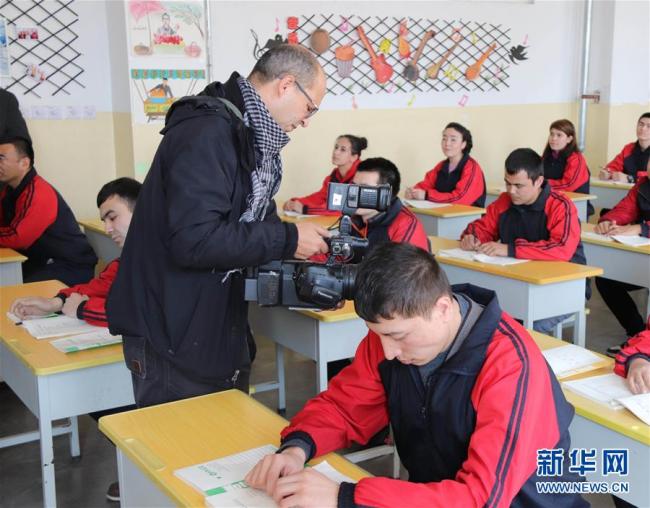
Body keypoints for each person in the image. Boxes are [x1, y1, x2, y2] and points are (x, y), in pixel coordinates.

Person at [245, 243, 587, 508]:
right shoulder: (389, 339)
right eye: (377, 334)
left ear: (441, 308)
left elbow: (480, 498)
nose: (388, 351)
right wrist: (297, 448)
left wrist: (346, 498)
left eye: (397, 336)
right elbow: (345, 408)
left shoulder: (509, 366)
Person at [106, 44, 329, 408]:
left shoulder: (244, 134)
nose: (306, 121)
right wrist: (287, 238)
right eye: (310, 108)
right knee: (181, 454)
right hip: (171, 330)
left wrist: (302, 248)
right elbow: (195, 240)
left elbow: (251, 217)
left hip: (207, 323)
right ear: (286, 85)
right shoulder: (208, 132)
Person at [459, 148, 588, 335]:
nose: (511, 191)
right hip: (522, 283)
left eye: (519, 186)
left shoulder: (560, 205)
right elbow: (481, 226)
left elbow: (562, 249)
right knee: (480, 318)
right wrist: (472, 237)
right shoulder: (505, 201)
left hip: (564, 289)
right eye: (507, 183)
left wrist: (510, 249)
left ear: (539, 182)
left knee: (519, 331)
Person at [10, 178, 141, 326]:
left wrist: (82, 309)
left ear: (142, 210)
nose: (107, 229)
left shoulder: (166, 259)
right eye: (105, 221)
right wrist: (55, 303)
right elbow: (101, 286)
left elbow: (144, 314)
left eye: (112, 217)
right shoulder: (129, 260)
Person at [0, 136, 97, 286]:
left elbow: (18, 237)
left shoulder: (39, 193)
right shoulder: (9, 190)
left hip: (69, 266)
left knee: (13, 293)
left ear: (24, 163)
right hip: (39, 261)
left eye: (2, 159)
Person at [594, 174, 650, 355]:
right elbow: (625, 208)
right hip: (642, 258)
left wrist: (642, 228)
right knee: (606, 279)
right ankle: (637, 335)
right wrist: (609, 221)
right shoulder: (643, 185)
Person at [405, 122, 485, 207]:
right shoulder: (441, 166)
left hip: (467, 218)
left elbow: (460, 198)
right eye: (444, 139)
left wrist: (426, 195)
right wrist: (413, 192)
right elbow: (425, 185)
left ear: (463, 144)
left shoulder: (472, 168)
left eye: (453, 140)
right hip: (443, 215)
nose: (447, 143)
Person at [283, 134, 367, 215]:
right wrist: (295, 202)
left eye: (343, 149)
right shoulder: (334, 175)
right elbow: (321, 197)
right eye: (336, 147)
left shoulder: (362, 176)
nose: (336, 152)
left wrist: (305, 209)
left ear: (354, 157)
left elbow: (342, 207)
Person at [541, 119, 592, 214]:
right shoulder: (546, 156)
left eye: (559, 135)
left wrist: (541, 183)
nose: (553, 138)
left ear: (569, 139)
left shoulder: (576, 159)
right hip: (551, 202)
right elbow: (536, 175)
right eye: (551, 134)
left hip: (574, 207)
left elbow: (568, 185)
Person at [599, 112, 650, 183]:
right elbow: (613, 167)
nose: (643, 128)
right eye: (641, 124)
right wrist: (607, 173)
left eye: (649, 126)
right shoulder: (629, 148)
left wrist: (630, 178)